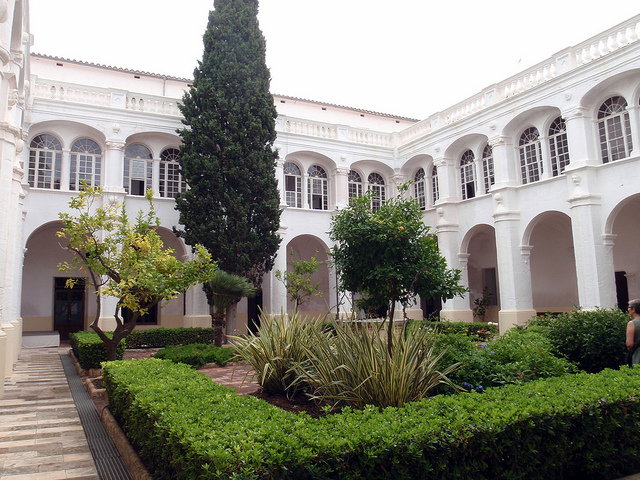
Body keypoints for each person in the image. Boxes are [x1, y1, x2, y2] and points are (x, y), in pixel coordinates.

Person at [625, 299, 640, 365]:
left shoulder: (632, 323)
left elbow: (629, 344)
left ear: (634, 309)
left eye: (629, 307)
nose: (628, 309)